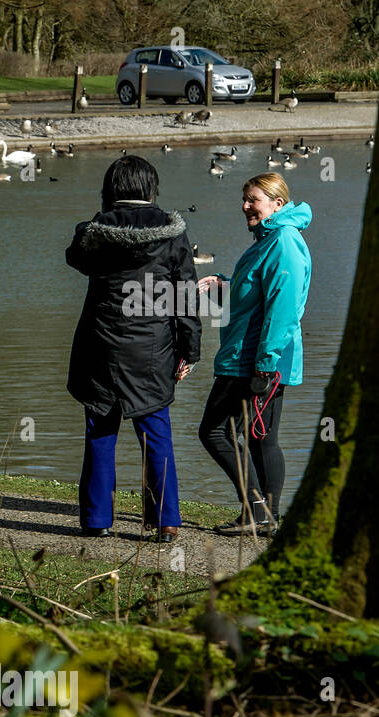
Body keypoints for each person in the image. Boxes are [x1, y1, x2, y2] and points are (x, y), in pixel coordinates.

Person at [66, 155, 201, 543]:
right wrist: (189, 350)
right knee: (155, 431)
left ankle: (97, 520)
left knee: (100, 430)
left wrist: (100, 217)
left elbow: (74, 259)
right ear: (151, 188)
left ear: (111, 188)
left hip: (101, 343)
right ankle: (166, 520)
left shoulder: (95, 231)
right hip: (153, 348)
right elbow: (186, 299)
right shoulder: (173, 233)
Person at [195, 173, 311, 536]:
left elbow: (284, 308)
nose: (246, 206)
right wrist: (224, 286)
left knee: (214, 432)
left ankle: (258, 510)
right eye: (244, 199)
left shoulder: (284, 242)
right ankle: (267, 517)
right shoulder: (268, 240)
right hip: (256, 358)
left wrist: (265, 364)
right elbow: (256, 296)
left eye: (254, 200)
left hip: (254, 361)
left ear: (278, 203)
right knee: (262, 439)